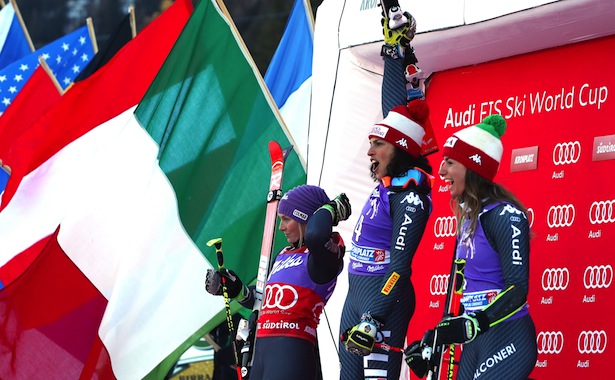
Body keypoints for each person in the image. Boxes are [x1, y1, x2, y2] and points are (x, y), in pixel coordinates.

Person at [406, 114, 537, 379]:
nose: (441, 171)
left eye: (450, 162)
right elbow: (461, 294)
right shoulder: (468, 218)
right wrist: (434, 339)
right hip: (479, 337)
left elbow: (517, 289)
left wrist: (476, 323)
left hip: (508, 335)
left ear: (473, 167)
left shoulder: (505, 215)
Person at [205, 184, 351, 380]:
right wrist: (237, 290)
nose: (281, 227)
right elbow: (264, 302)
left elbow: (316, 235)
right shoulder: (283, 254)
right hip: (261, 351)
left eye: (286, 219)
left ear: (305, 218)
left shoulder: (324, 254)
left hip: (291, 350)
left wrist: (330, 209)